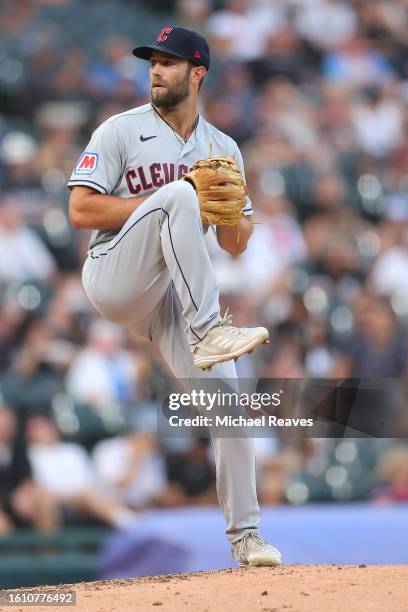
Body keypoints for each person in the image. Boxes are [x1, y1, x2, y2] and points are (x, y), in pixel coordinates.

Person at [67, 26, 282, 567]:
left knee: (228, 406)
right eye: (151, 62)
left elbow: (235, 245)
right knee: (176, 197)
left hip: (171, 295)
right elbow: (81, 211)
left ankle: (247, 537)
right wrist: (166, 199)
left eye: (168, 62)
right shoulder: (119, 131)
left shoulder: (223, 148)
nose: (155, 71)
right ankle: (211, 330)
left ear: (197, 72)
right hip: (115, 272)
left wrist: (227, 212)